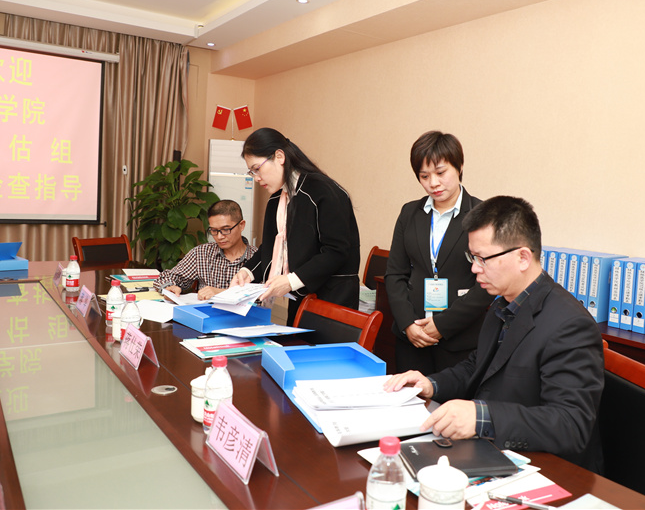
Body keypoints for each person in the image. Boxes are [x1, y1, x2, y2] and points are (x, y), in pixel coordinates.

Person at [384, 196, 604, 472]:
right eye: (472, 257)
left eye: (483, 259)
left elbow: (570, 425)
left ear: (522, 257)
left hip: (550, 469)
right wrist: (430, 384)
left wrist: (481, 417)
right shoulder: (503, 303)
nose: (474, 268)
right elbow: (477, 366)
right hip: (493, 451)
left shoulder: (570, 325)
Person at [385, 131, 494, 374]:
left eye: (441, 173)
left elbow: (488, 284)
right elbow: (395, 274)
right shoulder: (409, 213)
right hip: (412, 338)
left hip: (460, 341)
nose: (433, 183)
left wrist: (442, 325)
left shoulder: (482, 215)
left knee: (451, 398)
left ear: (459, 166)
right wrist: (407, 324)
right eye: (424, 176)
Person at [231, 127, 361, 322]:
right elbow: (269, 248)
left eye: (257, 169)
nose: (256, 178)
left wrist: (291, 280)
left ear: (279, 157)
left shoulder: (322, 191)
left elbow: (336, 251)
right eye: (252, 172)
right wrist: (247, 272)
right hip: (300, 299)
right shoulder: (277, 198)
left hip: (333, 300)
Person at [154, 200, 257, 300]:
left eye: (226, 229)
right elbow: (167, 277)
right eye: (214, 230)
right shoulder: (202, 253)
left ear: (241, 225)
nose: (219, 236)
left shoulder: (258, 257)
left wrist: (221, 293)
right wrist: (169, 288)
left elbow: (262, 297)